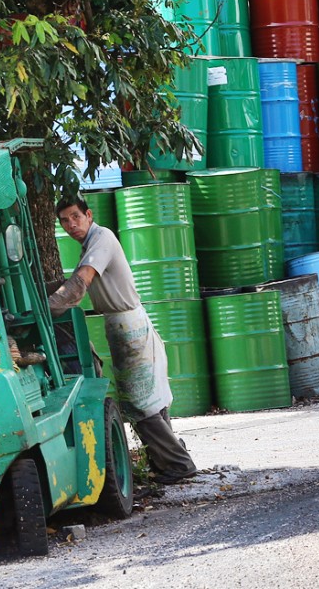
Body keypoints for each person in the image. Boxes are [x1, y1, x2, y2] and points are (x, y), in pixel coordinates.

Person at [49, 197, 197, 485]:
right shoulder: (91, 243)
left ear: (89, 215)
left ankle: (179, 465)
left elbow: (79, 286)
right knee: (147, 400)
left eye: (75, 217)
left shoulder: (102, 238)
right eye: (64, 220)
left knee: (141, 403)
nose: (71, 225)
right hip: (121, 325)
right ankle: (164, 461)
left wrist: (43, 309)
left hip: (129, 326)